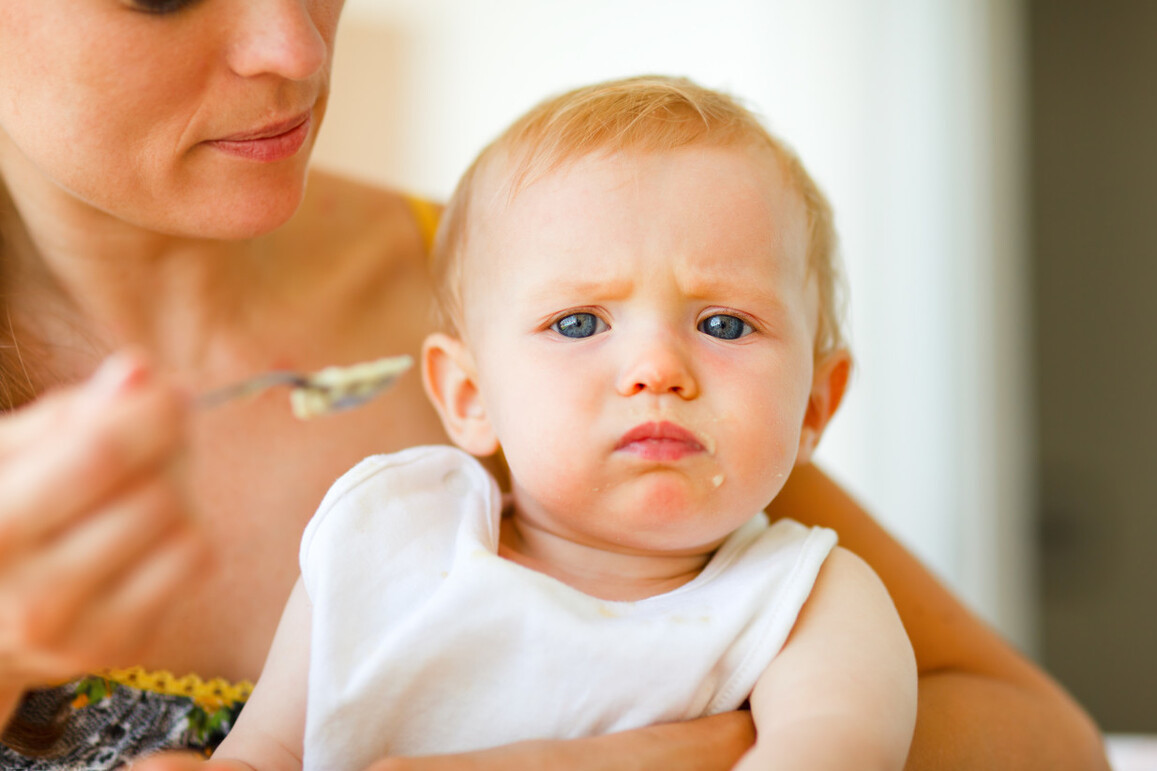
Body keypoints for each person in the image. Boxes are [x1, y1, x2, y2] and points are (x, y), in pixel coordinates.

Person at [0, 2, 1108, 770]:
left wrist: (654, 754)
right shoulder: (455, 423)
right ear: (456, 390)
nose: (292, 45)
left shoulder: (528, 284)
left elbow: (1038, 739)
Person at [140, 75, 918, 771]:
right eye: (579, 323)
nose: (657, 368)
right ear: (469, 395)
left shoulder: (805, 602)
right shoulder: (386, 537)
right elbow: (266, 752)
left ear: (815, 404)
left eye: (723, 325)